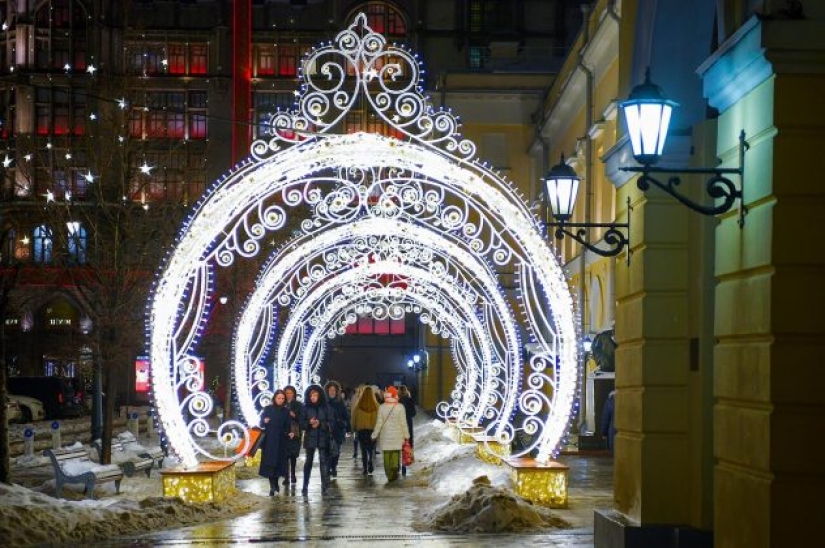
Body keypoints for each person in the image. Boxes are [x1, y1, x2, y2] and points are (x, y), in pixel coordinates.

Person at [259, 389, 294, 496]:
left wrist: (290, 433)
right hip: (270, 440)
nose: (280, 400)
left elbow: (288, 426)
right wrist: (264, 421)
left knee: (279, 463)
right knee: (270, 463)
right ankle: (272, 486)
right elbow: (261, 422)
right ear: (274, 398)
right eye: (279, 398)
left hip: (281, 440)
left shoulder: (286, 411)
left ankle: (276, 483)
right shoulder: (268, 409)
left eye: (282, 398)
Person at [371, 386, 409, 482]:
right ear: (396, 395)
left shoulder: (382, 407)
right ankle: (394, 472)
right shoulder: (400, 407)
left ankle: (389, 474)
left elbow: (379, 423)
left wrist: (374, 435)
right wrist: (406, 435)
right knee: (395, 455)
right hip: (397, 437)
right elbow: (403, 423)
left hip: (386, 438)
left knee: (387, 457)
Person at [300, 384, 332, 495]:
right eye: (311, 395)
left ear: (320, 396)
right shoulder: (305, 408)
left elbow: (330, 423)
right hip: (310, 438)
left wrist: (320, 424)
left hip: (323, 437)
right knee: (308, 462)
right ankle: (305, 486)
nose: (313, 397)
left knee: (323, 462)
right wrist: (309, 423)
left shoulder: (325, 407)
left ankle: (325, 486)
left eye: (316, 395)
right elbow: (301, 424)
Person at [350, 384, 379, 475]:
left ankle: (365, 468)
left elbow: (353, 418)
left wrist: (353, 428)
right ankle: (370, 458)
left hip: (361, 430)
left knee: (363, 449)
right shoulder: (376, 406)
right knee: (371, 448)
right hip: (372, 430)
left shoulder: (358, 406)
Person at [325, 380, 350, 479]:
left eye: (334, 390)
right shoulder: (324, 402)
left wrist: (347, 427)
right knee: (327, 451)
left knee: (336, 451)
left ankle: (333, 467)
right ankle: (327, 469)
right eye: (330, 390)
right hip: (326, 430)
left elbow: (345, 416)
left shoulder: (340, 402)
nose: (332, 392)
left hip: (338, 430)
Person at [283, 385, 302, 486]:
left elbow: (302, 418)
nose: (289, 395)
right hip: (284, 432)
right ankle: (286, 476)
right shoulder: (282, 403)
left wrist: (294, 415)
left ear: (294, 394)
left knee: (293, 455)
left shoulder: (298, 405)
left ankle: (293, 474)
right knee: (285, 455)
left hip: (295, 431)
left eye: (291, 393)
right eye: (287, 393)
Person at [398, 385, 416, 477]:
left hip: (399, 424)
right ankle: (404, 466)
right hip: (408, 424)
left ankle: (398, 464)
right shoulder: (410, 400)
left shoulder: (398, 401)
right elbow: (414, 413)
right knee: (406, 444)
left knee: (398, 444)